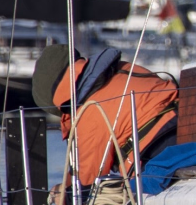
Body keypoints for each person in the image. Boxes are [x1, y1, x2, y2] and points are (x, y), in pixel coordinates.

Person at [32, 45, 179, 185]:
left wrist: (64, 196)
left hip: (158, 155)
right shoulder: (122, 68)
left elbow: (87, 182)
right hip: (183, 122)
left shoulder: (88, 113)